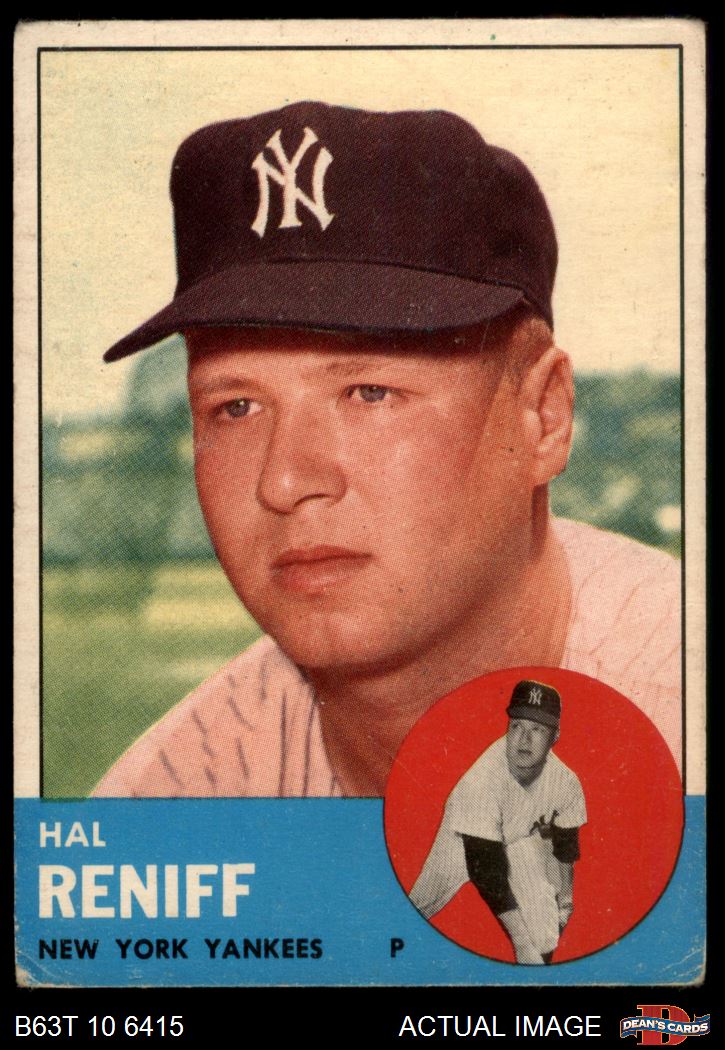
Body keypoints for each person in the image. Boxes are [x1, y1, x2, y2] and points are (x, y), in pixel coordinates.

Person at [93, 100, 681, 799]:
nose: (285, 481)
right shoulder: (165, 808)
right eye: (236, 407)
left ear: (543, 417)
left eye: (370, 392)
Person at [408, 680, 587, 965]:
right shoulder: (480, 783)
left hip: (518, 836)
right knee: (417, 906)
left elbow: (566, 844)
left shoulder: (565, 781)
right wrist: (521, 943)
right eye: (516, 726)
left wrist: (565, 900)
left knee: (542, 934)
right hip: (463, 841)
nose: (524, 739)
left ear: (555, 736)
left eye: (537, 729)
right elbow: (486, 870)